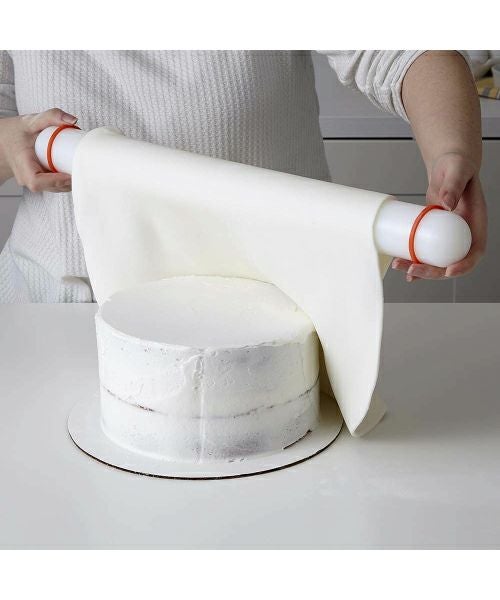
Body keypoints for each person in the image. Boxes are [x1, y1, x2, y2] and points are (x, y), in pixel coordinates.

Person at [0, 50, 486, 302]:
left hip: (272, 302)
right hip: (57, 304)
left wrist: (452, 150)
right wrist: (8, 141)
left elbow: (405, 50)